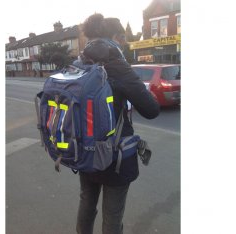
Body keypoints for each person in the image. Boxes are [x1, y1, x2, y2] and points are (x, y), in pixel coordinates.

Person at [75, 13, 160, 234]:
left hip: (85, 150)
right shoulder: (118, 66)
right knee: (112, 216)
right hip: (115, 156)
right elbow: (151, 110)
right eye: (123, 39)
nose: (124, 43)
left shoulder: (80, 62)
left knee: (86, 203)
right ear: (116, 37)